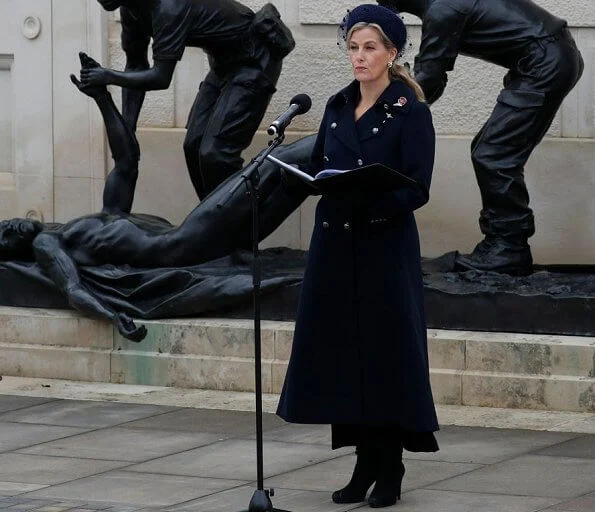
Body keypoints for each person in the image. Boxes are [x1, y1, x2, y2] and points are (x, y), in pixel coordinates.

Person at [0, 53, 313, 342]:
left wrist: (103, 98)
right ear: (12, 255)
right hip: (186, 240)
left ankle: (351, 154)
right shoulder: (47, 246)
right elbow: (72, 288)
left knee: (293, 179)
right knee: (277, 160)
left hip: (197, 238)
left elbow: (126, 161)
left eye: (3, 224)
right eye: (3, 238)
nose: (9, 227)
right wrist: (113, 316)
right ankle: (348, 137)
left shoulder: (91, 224)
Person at [276, 4, 439, 508]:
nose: (360, 57)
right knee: (345, 357)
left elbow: (418, 187)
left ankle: (389, 464)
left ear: (393, 53)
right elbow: (325, 164)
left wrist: (372, 204)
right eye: (353, 47)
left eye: (370, 48)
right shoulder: (337, 105)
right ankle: (363, 461)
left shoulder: (411, 112)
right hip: (335, 247)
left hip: (383, 248)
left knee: (384, 356)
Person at [377, 0, 584, 275]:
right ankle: (508, 244)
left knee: (493, 154)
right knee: (489, 151)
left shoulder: (442, 10)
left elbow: (428, 81)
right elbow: (429, 82)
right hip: (549, 57)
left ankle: (508, 248)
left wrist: (386, 116)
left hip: (545, 62)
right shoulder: (442, 7)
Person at [84, 0, 295, 206]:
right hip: (222, 64)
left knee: (216, 154)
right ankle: (214, 222)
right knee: (193, 145)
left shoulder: (168, 7)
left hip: (256, 58)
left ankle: (243, 223)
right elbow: (136, 65)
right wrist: (128, 129)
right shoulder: (131, 11)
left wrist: (108, 76)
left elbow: (160, 77)